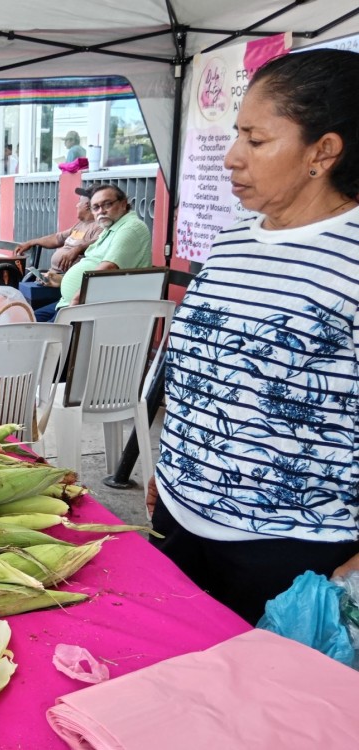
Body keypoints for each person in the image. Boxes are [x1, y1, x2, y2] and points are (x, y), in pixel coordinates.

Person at [146, 48, 359, 625]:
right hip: (181, 523)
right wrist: (172, 471)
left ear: (324, 151)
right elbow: (202, 365)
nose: (232, 159)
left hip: (292, 553)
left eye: (256, 141)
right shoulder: (234, 238)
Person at [31, 183, 151, 322]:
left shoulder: (130, 228)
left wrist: (74, 305)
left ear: (123, 204)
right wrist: (62, 281)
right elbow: (93, 263)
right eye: (96, 207)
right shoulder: (110, 228)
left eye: (107, 204)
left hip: (89, 310)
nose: (101, 211)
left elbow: (105, 271)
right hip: (73, 303)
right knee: (27, 320)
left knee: (31, 334)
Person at [14, 186, 102, 273]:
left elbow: (99, 242)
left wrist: (78, 249)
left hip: (66, 278)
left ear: (87, 205)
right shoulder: (80, 225)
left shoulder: (98, 227)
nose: (76, 205)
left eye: (79, 201)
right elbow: (57, 239)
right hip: (52, 274)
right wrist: (32, 242)